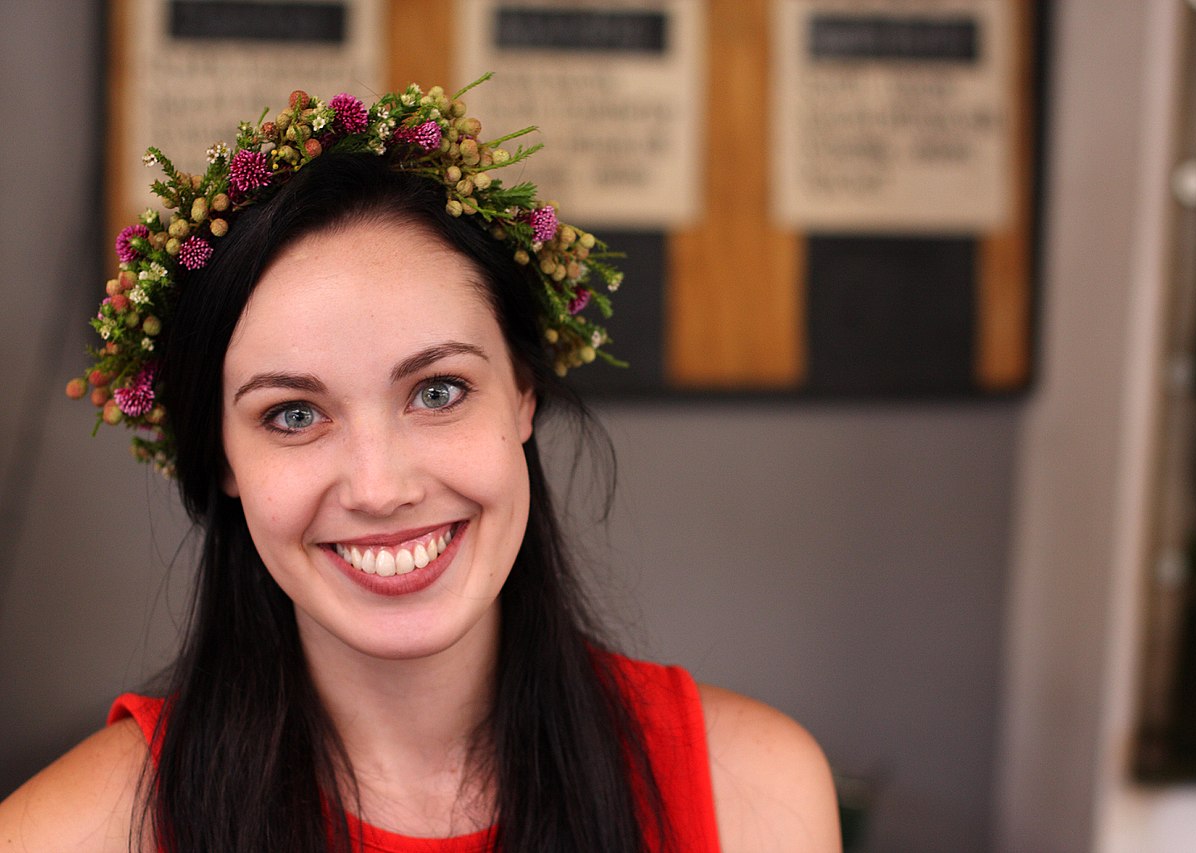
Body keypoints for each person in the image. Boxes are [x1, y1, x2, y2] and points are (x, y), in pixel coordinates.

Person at [0, 80, 840, 852]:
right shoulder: (66, 835)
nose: (381, 488)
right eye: (293, 414)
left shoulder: (757, 797)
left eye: (438, 391)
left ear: (523, 392)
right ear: (222, 455)